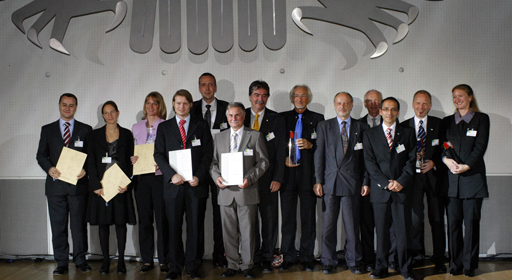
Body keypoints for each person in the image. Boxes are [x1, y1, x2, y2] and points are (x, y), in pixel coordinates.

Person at [154, 89, 213, 280]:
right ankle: (175, 267)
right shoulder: (164, 128)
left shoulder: (201, 126)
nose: (181, 106)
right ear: (173, 104)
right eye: (178, 103)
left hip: (196, 186)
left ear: (190, 105)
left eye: (185, 103)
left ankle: (193, 266)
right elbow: (158, 155)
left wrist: (199, 176)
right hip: (173, 187)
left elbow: (207, 154)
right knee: (173, 228)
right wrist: (171, 175)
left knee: (195, 228)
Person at [210, 102, 269, 278]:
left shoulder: (255, 136)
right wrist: (216, 178)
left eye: (237, 115)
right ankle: (232, 265)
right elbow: (213, 163)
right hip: (225, 193)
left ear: (243, 117)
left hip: (247, 191)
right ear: (226, 118)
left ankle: (248, 265)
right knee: (228, 232)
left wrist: (249, 179)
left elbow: (263, 162)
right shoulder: (219, 138)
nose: (234, 119)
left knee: (248, 231)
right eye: (230, 116)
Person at [36, 93, 92, 275]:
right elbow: (41, 155)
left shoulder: (85, 129)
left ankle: (80, 260)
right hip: (55, 186)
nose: (68, 108)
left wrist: (86, 170)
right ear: (59, 105)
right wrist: (49, 168)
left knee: (78, 226)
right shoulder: (47, 129)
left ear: (76, 107)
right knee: (58, 226)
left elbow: (91, 157)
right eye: (64, 104)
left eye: (71, 105)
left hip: (78, 186)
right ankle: (61, 262)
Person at [314, 92, 369, 275]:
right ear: (334, 104)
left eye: (346, 103)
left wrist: (365, 181)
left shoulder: (362, 127)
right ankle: (328, 261)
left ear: (351, 105)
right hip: (330, 183)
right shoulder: (324, 126)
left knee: (352, 226)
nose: (342, 106)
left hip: (352, 183)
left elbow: (366, 159)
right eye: (339, 103)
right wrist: (318, 181)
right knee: (328, 225)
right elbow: (319, 155)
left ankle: (353, 261)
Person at [363, 97, 416, 280]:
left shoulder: (408, 133)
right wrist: (385, 183)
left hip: (401, 190)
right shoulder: (370, 134)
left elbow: (411, 160)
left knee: (403, 234)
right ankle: (381, 268)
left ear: (398, 112)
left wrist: (401, 181)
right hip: (380, 192)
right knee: (382, 233)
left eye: (394, 109)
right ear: (380, 111)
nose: (389, 112)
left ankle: (406, 269)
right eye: (386, 109)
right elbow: (369, 163)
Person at [441, 84, 489, 277]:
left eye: (461, 96)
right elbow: (444, 144)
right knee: (453, 226)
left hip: (472, 181)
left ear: (470, 97)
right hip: (452, 182)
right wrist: (446, 160)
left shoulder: (481, 119)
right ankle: (455, 264)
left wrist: (466, 166)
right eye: (454, 96)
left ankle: (469, 266)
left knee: (471, 225)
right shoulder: (447, 122)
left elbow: (480, 147)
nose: (457, 99)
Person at [87, 101, 136, 274]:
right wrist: (94, 184)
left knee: (120, 224)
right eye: (106, 113)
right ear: (102, 115)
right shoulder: (94, 135)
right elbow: (90, 161)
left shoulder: (127, 134)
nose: (109, 115)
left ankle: (121, 261)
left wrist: (127, 183)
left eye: (112, 112)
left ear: (118, 112)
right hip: (102, 186)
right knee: (103, 224)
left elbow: (131, 162)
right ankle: (105, 261)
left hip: (120, 186)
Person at [401, 90, 447, 273]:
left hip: (434, 179)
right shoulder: (404, 126)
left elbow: (446, 147)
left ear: (430, 106)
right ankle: (416, 256)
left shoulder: (439, 124)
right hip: (412, 180)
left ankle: (439, 258)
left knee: (436, 220)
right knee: (415, 220)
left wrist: (434, 162)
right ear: (413, 104)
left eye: (425, 104)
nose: (421, 107)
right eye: (418, 103)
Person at [279, 85, 324, 271]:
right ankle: (288, 257)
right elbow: (278, 144)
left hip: (308, 177)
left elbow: (322, 147)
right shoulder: (282, 118)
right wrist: (284, 158)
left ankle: (307, 257)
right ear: (292, 98)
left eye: (303, 96)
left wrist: (310, 144)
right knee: (288, 220)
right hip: (288, 177)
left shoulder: (317, 119)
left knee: (308, 219)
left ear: (308, 98)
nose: (299, 98)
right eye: (296, 95)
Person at [243, 80, 286, 272]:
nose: (260, 99)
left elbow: (280, 152)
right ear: (250, 96)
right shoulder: (240, 116)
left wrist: (278, 177)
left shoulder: (276, 119)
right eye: (257, 95)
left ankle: (268, 257)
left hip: (269, 180)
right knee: (248, 222)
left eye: (264, 95)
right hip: (245, 180)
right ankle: (251, 257)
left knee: (269, 221)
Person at [190, 73, 229, 268]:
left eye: (210, 84)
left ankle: (219, 255)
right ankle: (196, 257)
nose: (207, 88)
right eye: (203, 85)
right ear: (199, 88)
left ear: (215, 87)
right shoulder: (191, 109)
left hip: (221, 170)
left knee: (220, 214)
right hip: (197, 170)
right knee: (196, 216)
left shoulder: (227, 108)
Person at [131, 92, 170, 273]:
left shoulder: (166, 126)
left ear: (160, 106)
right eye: (148, 102)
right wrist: (132, 158)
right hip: (141, 177)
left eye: (155, 103)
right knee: (145, 220)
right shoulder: (136, 127)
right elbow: (132, 150)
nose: (151, 106)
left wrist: (162, 161)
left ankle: (164, 259)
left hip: (160, 177)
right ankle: (147, 259)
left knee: (162, 219)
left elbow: (169, 151)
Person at [358, 89, 382, 271]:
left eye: (376, 100)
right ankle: (367, 258)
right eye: (369, 101)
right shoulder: (357, 125)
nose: (373, 104)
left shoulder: (392, 124)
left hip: (386, 183)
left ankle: (386, 258)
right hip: (363, 183)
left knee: (385, 225)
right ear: (365, 104)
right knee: (366, 223)